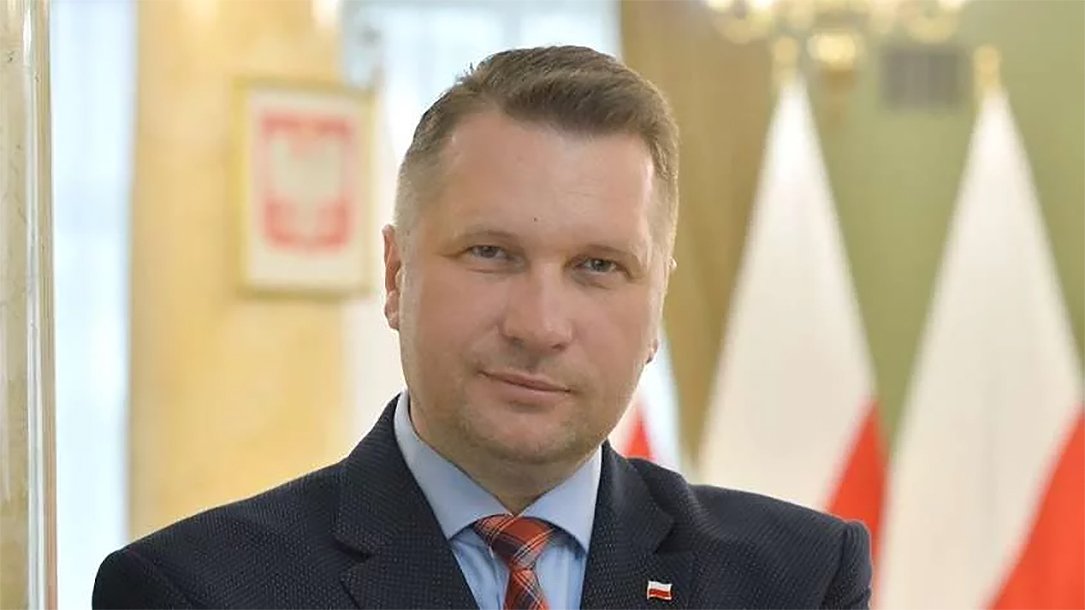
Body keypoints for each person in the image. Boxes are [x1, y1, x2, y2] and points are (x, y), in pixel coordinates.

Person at [93, 45, 871, 609]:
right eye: (491, 253)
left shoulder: (797, 580)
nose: (539, 326)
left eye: (598, 266)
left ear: (655, 306)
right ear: (396, 275)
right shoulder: (195, 590)